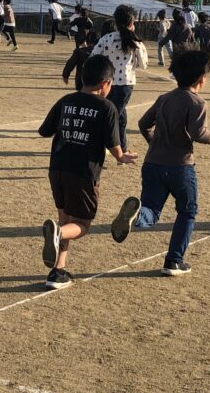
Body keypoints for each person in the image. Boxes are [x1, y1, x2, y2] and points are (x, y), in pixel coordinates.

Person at [111, 50, 210, 276]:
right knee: (187, 211)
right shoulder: (196, 102)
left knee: (151, 210)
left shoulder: (164, 98)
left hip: (153, 163)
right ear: (200, 79)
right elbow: (197, 132)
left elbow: (144, 123)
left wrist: (153, 142)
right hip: (180, 166)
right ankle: (174, 260)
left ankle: (136, 216)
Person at [38, 55, 138, 289]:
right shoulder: (107, 107)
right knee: (81, 225)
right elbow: (113, 144)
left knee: (64, 217)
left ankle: (57, 272)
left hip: (57, 169)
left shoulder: (66, 100)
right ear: (105, 83)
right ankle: (58, 235)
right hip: (83, 172)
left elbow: (45, 131)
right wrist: (121, 156)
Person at [91, 4, 148, 153]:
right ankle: (106, 146)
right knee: (114, 116)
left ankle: (122, 148)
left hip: (107, 83)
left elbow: (93, 57)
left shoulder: (106, 39)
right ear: (132, 23)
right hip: (125, 84)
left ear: (115, 22)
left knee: (119, 116)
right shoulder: (136, 42)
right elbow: (144, 65)